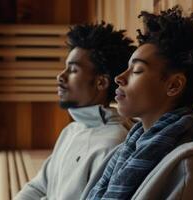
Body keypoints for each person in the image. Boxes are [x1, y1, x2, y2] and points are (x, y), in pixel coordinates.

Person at [83, 6, 193, 200]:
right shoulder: (128, 149)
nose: (119, 78)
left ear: (173, 85)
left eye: (136, 70)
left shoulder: (192, 169)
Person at [14, 22, 136, 200]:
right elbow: (39, 186)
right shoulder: (72, 130)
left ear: (101, 82)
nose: (60, 76)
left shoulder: (112, 144)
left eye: (73, 70)